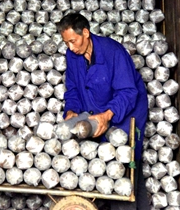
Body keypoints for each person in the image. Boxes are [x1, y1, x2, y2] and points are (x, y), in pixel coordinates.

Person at [56, 12, 149, 209]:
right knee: (99, 161)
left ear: (86, 33)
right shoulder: (72, 55)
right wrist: (71, 111)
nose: (70, 47)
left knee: (123, 163)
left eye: (73, 41)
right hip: (96, 108)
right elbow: (72, 88)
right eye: (66, 43)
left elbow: (127, 92)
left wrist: (107, 116)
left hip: (127, 109)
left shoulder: (113, 52)